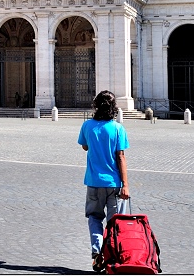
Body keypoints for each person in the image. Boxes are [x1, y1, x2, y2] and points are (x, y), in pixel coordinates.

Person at [77, 90, 129, 273]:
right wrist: (126, 184)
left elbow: (85, 146)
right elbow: (120, 157)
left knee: (94, 217)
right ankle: (112, 257)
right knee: (115, 222)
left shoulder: (87, 126)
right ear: (114, 108)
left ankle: (97, 249)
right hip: (114, 184)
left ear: (96, 106)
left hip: (93, 181)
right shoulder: (117, 128)